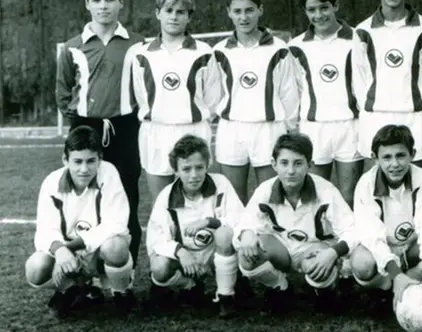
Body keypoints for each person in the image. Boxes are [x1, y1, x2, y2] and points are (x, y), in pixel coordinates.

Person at [56, 0, 143, 264]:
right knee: (82, 196)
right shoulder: (72, 46)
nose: (103, 6)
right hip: (85, 126)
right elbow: (63, 91)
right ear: (87, 4)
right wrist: (80, 122)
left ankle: (123, 273)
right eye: (96, 0)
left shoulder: (138, 45)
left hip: (125, 127)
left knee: (127, 194)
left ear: (121, 3)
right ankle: (84, 274)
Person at [233, 133, 360, 311]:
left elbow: (352, 230)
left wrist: (332, 253)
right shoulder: (265, 189)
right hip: (282, 249)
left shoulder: (325, 190)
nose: (291, 171)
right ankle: (279, 285)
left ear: (310, 165)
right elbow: (244, 222)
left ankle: (325, 289)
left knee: (319, 265)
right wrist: (247, 234)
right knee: (246, 256)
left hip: (314, 248)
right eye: (284, 163)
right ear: (273, 164)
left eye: (298, 163)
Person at [25, 126, 135, 318]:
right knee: (36, 267)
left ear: (100, 158)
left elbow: (116, 223)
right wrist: (60, 251)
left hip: (100, 250)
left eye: (91, 161)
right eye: (77, 162)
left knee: (116, 247)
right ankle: (71, 289)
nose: (84, 169)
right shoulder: (52, 183)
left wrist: (71, 248)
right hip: (69, 253)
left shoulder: (108, 173)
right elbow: (45, 230)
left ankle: (121, 291)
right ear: (65, 160)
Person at [209, 0, 300, 203]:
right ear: (229, 13)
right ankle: (238, 238)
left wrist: (291, 128)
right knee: (233, 198)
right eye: (237, 11)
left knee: (269, 195)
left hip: (268, 129)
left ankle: (268, 237)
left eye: (249, 10)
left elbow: (289, 94)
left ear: (260, 10)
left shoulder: (279, 48)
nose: (244, 17)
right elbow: (214, 95)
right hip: (233, 130)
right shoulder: (220, 51)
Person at [349, 125, 422, 306]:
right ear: (375, 159)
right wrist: (394, 272)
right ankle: (387, 284)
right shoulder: (365, 184)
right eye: (387, 157)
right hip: (383, 246)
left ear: (412, 154)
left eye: (400, 155)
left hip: (410, 246)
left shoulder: (421, 177)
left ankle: (411, 278)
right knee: (361, 263)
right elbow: (372, 235)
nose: (395, 164)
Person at [127, 0, 214, 204]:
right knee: (161, 204)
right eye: (168, 11)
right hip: (155, 132)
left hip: (193, 131)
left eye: (180, 12)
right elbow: (140, 97)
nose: (174, 17)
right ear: (158, 13)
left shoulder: (204, 52)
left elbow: (213, 98)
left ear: (189, 16)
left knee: (198, 202)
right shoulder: (141, 54)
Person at [352, 0, 422, 170]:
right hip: (377, 117)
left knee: (416, 183)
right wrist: (375, 106)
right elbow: (359, 78)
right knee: (379, 187)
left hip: (415, 117)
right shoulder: (363, 31)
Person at [146, 135, 244, 318]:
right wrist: (180, 252)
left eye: (199, 167)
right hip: (186, 257)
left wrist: (209, 221)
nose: (194, 175)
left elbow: (239, 219)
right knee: (159, 266)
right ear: (176, 171)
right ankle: (188, 285)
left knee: (224, 234)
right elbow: (156, 239)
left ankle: (225, 296)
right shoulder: (166, 197)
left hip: (215, 254)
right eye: (186, 169)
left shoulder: (221, 183)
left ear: (207, 165)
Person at [288, 0, 363, 207]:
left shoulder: (357, 40)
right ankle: (318, 241)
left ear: (336, 6)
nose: (319, 15)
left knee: (349, 197)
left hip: (349, 126)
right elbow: (295, 92)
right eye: (312, 10)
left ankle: (349, 242)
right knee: (315, 196)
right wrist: (294, 128)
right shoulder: (296, 46)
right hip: (314, 128)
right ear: (305, 12)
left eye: (324, 7)